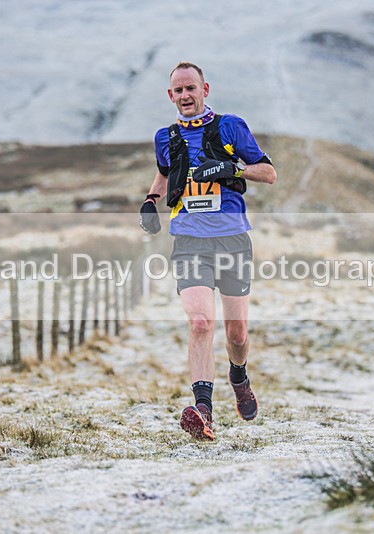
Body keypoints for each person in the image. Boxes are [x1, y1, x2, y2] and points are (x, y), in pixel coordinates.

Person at [139, 62, 276, 440]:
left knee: (236, 334)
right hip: (189, 240)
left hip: (232, 238)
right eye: (178, 91)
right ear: (171, 96)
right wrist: (151, 200)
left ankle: (239, 375)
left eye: (191, 89)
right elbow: (165, 172)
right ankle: (203, 412)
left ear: (205, 89)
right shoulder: (165, 137)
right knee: (200, 322)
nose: (185, 96)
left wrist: (230, 168)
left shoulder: (231, 126)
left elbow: (268, 172)